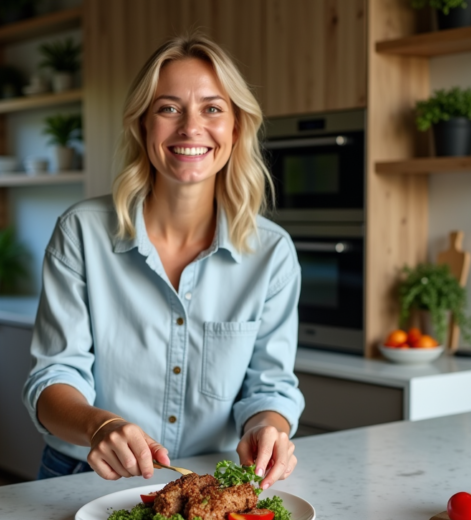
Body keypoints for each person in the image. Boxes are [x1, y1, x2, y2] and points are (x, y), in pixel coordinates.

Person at [22, 32, 304, 492]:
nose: (191, 128)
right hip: (81, 477)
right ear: (142, 126)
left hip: (210, 483)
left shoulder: (271, 252)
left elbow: (269, 387)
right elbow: (53, 380)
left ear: (235, 128)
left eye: (212, 108)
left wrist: (266, 428)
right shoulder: (81, 231)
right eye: (169, 108)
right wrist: (99, 427)